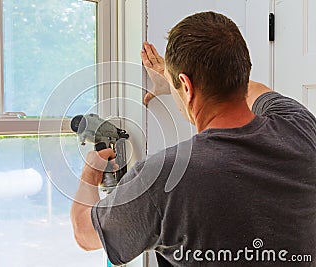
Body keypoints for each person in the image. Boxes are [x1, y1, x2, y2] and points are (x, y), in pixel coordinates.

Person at [70, 11, 316, 266]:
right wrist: (174, 78)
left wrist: (90, 171)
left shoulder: (164, 177)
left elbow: (84, 234)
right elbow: (258, 91)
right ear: (243, 70)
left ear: (186, 87)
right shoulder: (299, 126)